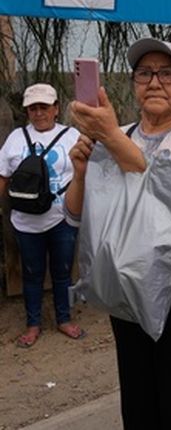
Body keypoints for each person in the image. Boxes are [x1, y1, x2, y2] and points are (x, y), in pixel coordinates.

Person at [66, 39, 171, 429]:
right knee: (138, 400)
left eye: (167, 73)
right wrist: (82, 172)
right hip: (129, 277)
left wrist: (111, 139)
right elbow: (74, 214)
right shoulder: (115, 133)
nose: (155, 82)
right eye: (145, 73)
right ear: (134, 82)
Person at [0, 83, 83, 348]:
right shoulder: (15, 139)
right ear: (27, 112)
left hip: (62, 219)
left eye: (44, 107)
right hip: (25, 222)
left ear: (56, 109)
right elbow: (3, 175)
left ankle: (64, 318)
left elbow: (88, 171)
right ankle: (33, 324)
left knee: (62, 272)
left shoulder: (72, 136)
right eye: (33, 108)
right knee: (32, 273)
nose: (38, 113)